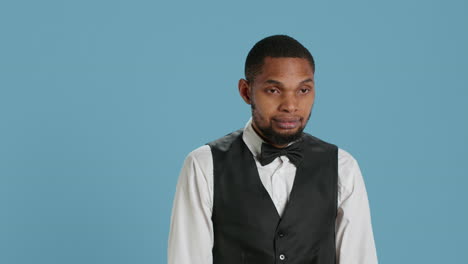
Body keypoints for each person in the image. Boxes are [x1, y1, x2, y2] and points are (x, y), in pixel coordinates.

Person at [167, 35, 378, 264]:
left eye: (303, 90)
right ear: (246, 92)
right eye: (274, 90)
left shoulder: (342, 167)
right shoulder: (204, 165)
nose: (290, 105)